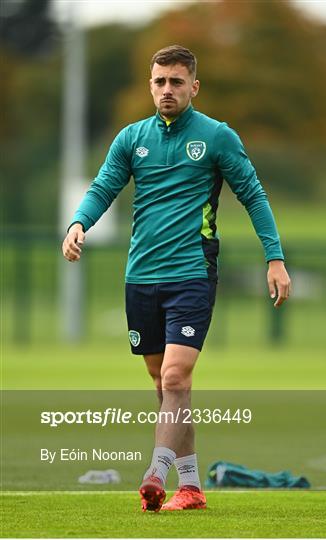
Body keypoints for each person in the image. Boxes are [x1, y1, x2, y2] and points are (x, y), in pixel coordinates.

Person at [62, 45, 291, 512]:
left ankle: (156, 473)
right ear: (151, 85)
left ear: (194, 86)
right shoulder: (132, 138)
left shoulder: (216, 137)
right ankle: (191, 487)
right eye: (160, 82)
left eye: (176, 82)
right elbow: (105, 184)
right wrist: (78, 222)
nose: (167, 90)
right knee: (164, 384)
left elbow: (254, 194)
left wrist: (275, 257)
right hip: (141, 274)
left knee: (175, 376)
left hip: (191, 272)